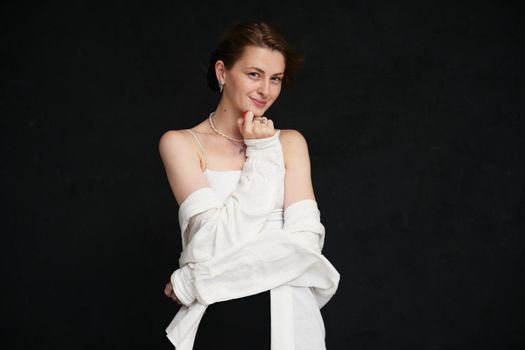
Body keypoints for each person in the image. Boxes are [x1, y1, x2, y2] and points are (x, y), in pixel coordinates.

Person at [159, 21, 339, 350]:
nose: (265, 91)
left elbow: (307, 247)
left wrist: (196, 279)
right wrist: (261, 153)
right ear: (222, 72)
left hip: (293, 320)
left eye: (276, 79)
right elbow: (214, 242)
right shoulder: (182, 144)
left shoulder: (290, 143)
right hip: (223, 321)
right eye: (254, 74)